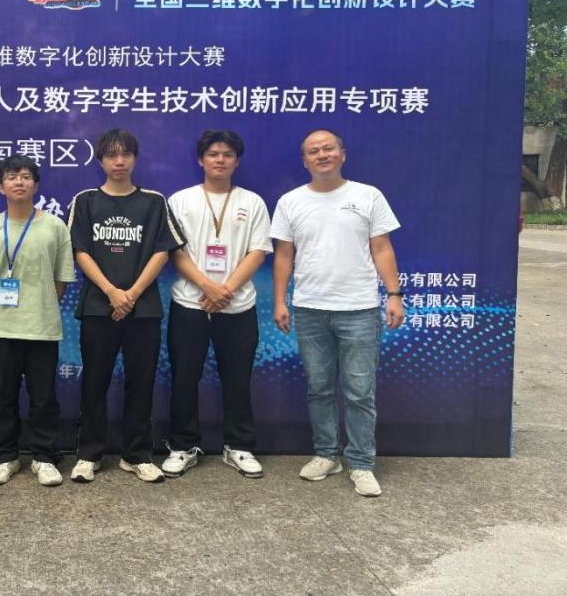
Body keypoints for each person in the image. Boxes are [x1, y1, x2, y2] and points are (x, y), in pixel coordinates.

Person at [271, 128, 404, 498]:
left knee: (360, 391)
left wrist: (394, 294)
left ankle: (361, 462)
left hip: (359, 308)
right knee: (319, 388)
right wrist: (280, 300)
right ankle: (327, 454)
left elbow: (382, 247)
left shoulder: (367, 195)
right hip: (309, 308)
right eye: (313, 151)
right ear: (305, 161)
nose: (322, 155)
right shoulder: (290, 201)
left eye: (328, 148)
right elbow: (283, 255)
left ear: (342, 154)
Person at [66, 128, 185, 483]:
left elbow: (162, 251)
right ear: (100, 160)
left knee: (141, 382)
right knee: (94, 382)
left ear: (135, 158)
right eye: (111, 155)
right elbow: (79, 251)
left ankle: (136, 455)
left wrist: (131, 293)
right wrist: (111, 291)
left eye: (126, 154)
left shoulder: (154, 202)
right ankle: (89, 454)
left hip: (143, 308)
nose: (119, 161)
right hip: (98, 307)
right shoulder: (85, 201)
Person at [162, 130, 272, 479]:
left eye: (227, 154)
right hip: (189, 302)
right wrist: (208, 286)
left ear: (236, 161)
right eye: (213, 154)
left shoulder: (252, 202)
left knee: (237, 378)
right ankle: (183, 446)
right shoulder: (180, 200)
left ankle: (239, 446)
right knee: (184, 377)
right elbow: (174, 251)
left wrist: (226, 290)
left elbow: (258, 251)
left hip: (238, 305)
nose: (220, 160)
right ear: (201, 160)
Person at [0, 155, 76, 487]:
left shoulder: (55, 226)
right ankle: (5, 457)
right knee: (3, 396)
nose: (19, 181)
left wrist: (39, 304)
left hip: (42, 327)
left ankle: (44, 457)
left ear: (36, 185)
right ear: (0, 186)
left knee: (43, 398)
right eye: (12, 176)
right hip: (1, 327)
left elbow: (61, 280)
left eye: (26, 176)